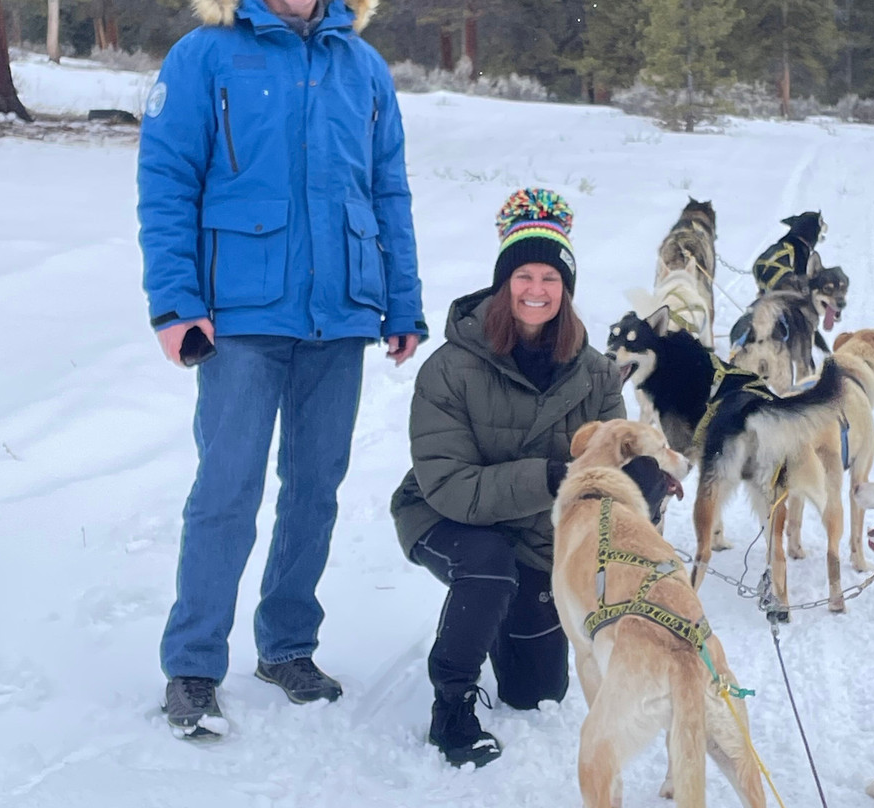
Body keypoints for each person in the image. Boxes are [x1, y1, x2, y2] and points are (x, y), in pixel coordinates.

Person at [138, 0, 427, 739]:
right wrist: (175, 303)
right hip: (240, 314)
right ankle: (194, 665)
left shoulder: (361, 67)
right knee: (226, 490)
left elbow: (387, 188)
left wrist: (401, 301)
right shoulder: (205, 54)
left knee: (315, 490)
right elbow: (168, 178)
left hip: (340, 314)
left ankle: (287, 646)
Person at [390, 188, 626, 768]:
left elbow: (613, 461)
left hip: (535, 533)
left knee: (534, 693)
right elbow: (451, 485)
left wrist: (640, 474)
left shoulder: (597, 374)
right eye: (524, 275)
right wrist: (551, 478)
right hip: (443, 516)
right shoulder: (450, 368)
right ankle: (451, 706)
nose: (536, 290)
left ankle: (497, 614)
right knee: (488, 566)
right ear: (504, 282)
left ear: (566, 288)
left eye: (551, 276)